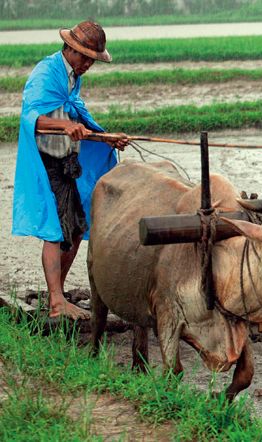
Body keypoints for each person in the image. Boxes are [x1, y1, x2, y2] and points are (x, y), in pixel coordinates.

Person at [12, 21, 128, 320]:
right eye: (85, 57)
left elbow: (73, 116)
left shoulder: (72, 76)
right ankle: (55, 302)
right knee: (56, 229)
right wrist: (66, 126)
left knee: (76, 227)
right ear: (71, 49)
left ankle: (58, 293)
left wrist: (106, 137)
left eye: (93, 59)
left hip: (67, 159)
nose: (88, 63)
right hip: (48, 160)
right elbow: (31, 118)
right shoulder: (46, 72)